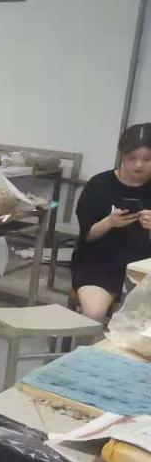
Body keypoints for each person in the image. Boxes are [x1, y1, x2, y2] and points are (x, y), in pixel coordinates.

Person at [70, 123, 151, 323]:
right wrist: (109, 222)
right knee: (94, 314)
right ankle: (87, 343)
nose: (139, 165)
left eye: (147, 159)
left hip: (144, 264)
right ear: (122, 155)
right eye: (132, 158)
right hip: (100, 262)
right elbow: (87, 236)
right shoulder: (100, 185)